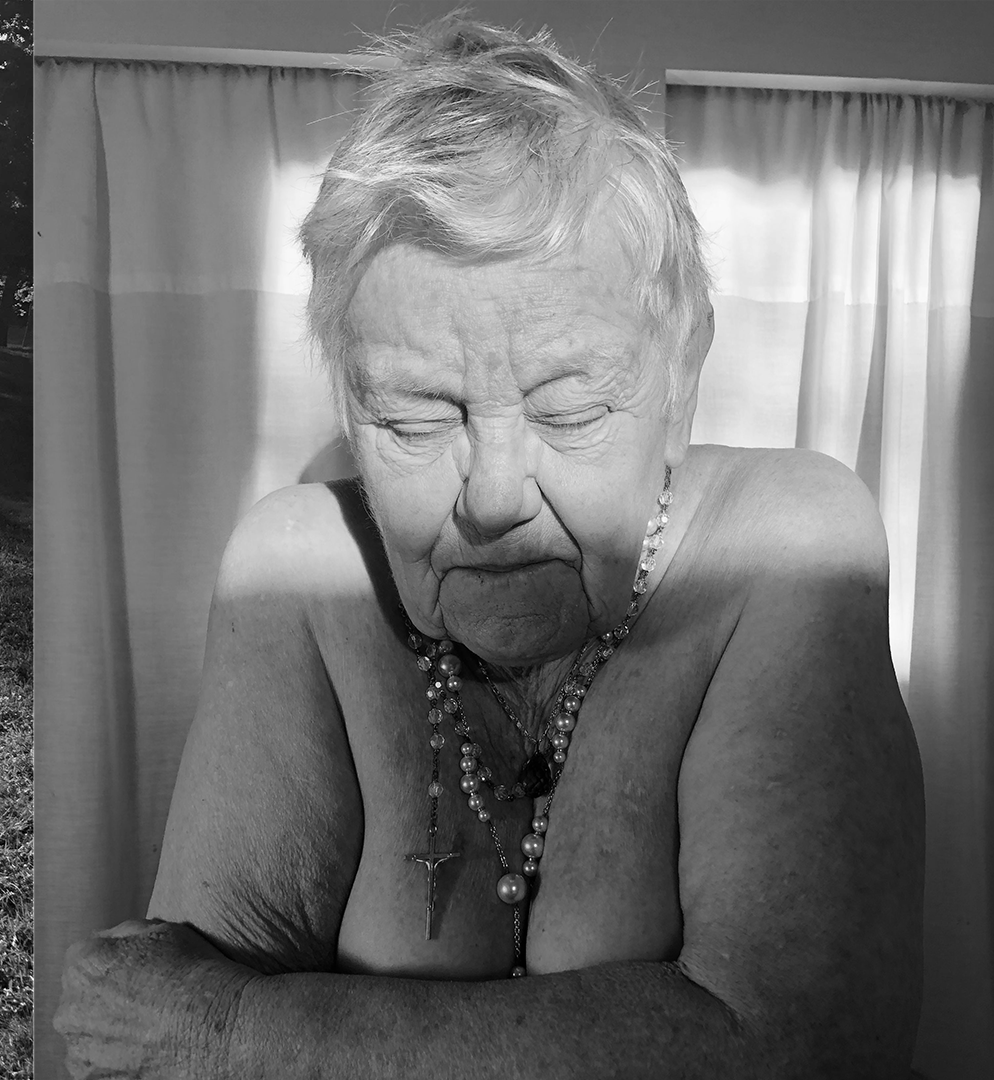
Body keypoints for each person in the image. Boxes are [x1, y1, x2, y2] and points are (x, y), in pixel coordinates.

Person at [54, 18, 923, 1079]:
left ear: (680, 374)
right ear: (347, 397)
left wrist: (236, 1032)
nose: (496, 497)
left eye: (569, 409)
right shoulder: (300, 568)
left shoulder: (790, 546)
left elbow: (799, 1047)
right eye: (418, 419)